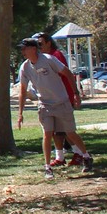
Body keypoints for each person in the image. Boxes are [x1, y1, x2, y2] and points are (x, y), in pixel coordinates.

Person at [17, 37, 93, 175]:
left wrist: (76, 94)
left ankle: (86, 156)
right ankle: (47, 167)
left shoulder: (48, 59)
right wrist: (20, 113)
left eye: (24, 48)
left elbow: (68, 73)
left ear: (33, 49)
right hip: (45, 105)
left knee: (70, 133)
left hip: (61, 102)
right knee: (47, 134)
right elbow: (22, 90)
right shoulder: (25, 67)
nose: (22, 51)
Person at [38, 33, 88, 166]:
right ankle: (60, 157)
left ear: (48, 43)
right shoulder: (42, 58)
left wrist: (75, 94)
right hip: (52, 100)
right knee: (55, 130)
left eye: (40, 44)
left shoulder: (55, 55)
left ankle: (80, 154)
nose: (39, 47)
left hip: (63, 97)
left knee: (67, 129)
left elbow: (63, 76)